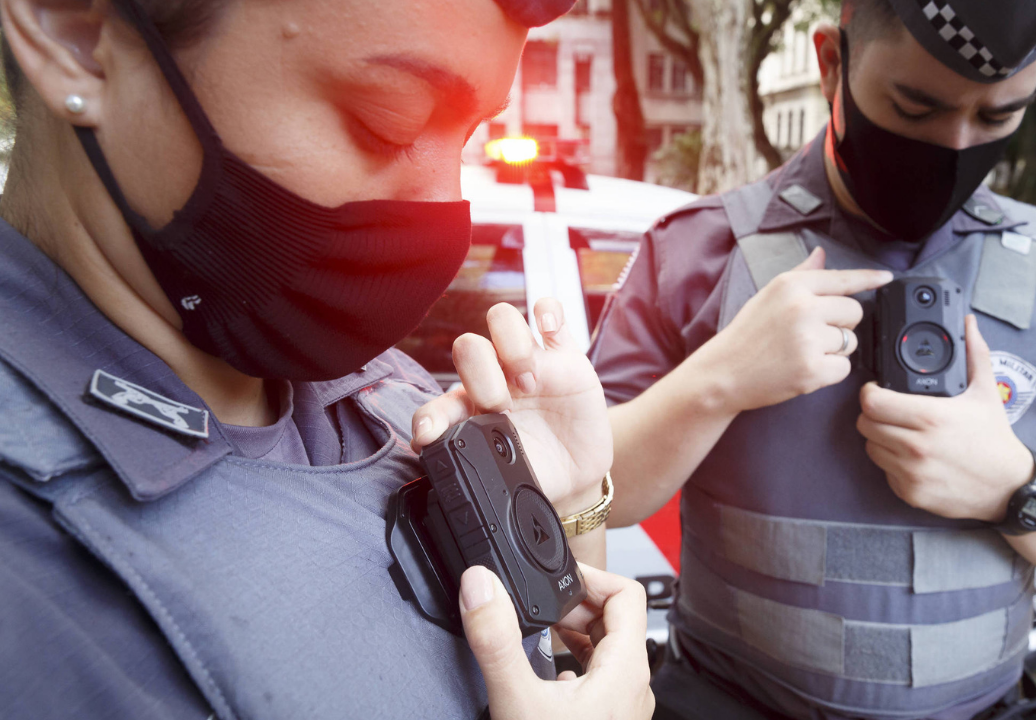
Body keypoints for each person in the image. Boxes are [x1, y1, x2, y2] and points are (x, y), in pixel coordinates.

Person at [0, 1, 653, 719]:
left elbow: (556, 665)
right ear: (75, 30)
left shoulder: (396, 396)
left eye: (464, 141)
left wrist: (568, 506)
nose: (446, 208)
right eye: (387, 120)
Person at [589, 0, 1036, 718]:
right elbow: (589, 495)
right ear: (830, 64)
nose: (955, 144)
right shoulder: (695, 254)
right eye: (915, 106)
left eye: (998, 118)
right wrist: (717, 383)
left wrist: (1016, 485)